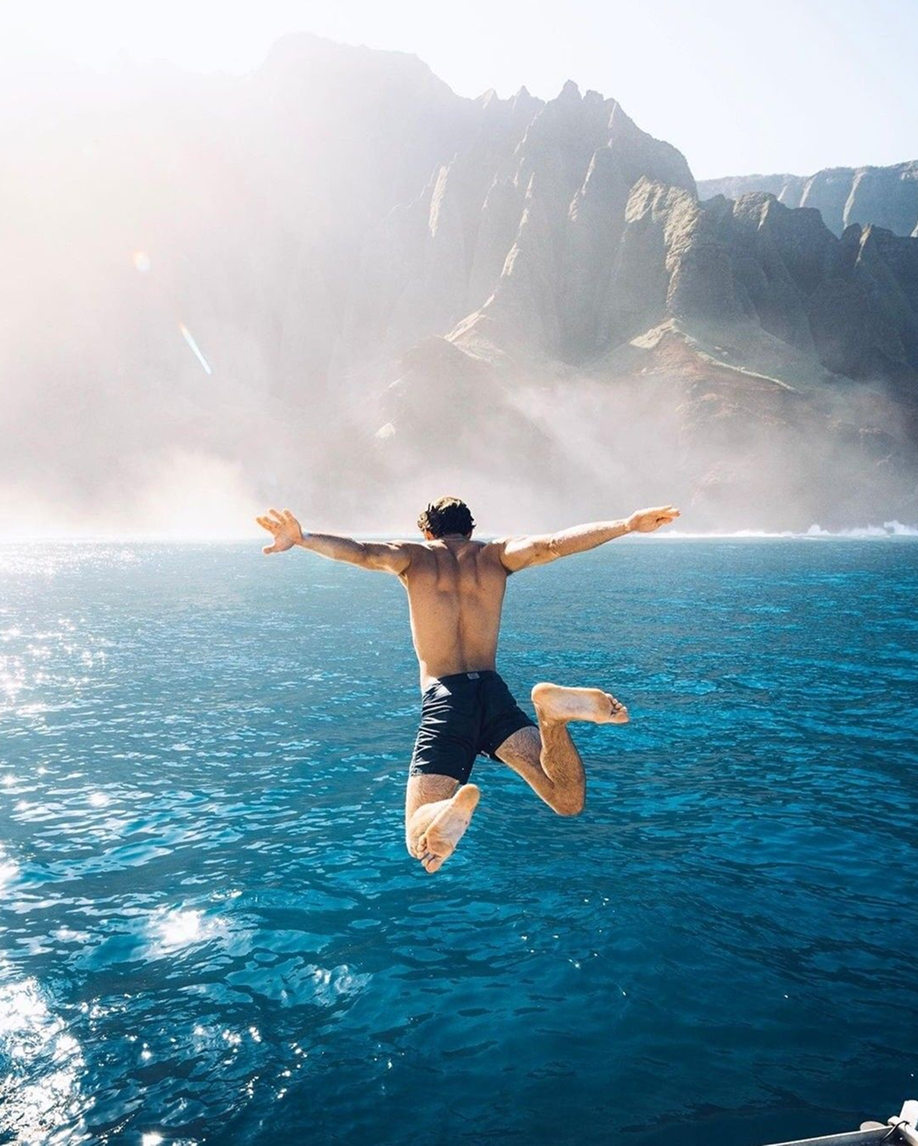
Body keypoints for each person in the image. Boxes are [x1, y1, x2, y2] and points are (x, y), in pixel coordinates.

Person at [256, 498, 680, 874]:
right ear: (471, 530)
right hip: (492, 693)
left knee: (413, 836)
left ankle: (441, 814)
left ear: (427, 531)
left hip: (446, 699)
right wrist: (626, 523)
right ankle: (551, 716)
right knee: (566, 801)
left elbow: (362, 553)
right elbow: (554, 544)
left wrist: (304, 537)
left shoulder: (414, 557)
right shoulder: (495, 555)